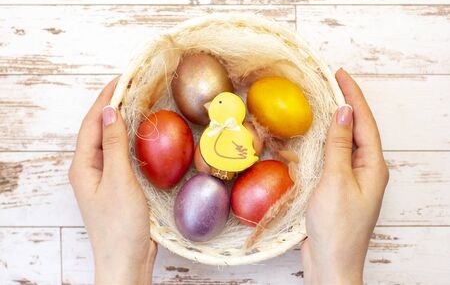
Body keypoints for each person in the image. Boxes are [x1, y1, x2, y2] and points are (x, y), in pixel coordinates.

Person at [68, 68, 389, 285]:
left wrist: (119, 268)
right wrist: (338, 270)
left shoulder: (233, 133)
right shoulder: (216, 134)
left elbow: (244, 154)